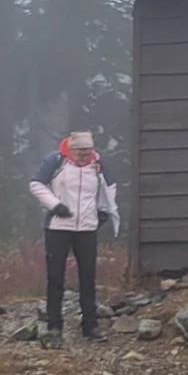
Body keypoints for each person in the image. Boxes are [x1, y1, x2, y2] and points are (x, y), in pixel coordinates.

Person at [29, 130, 119, 345]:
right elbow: (36, 184)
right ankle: (54, 326)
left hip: (87, 227)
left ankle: (90, 326)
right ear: (70, 149)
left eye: (87, 152)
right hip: (59, 226)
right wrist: (55, 205)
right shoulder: (56, 161)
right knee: (55, 278)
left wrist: (103, 210)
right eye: (80, 152)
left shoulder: (97, 164)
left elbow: (110, 186)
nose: (84, 157)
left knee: (88, 278)